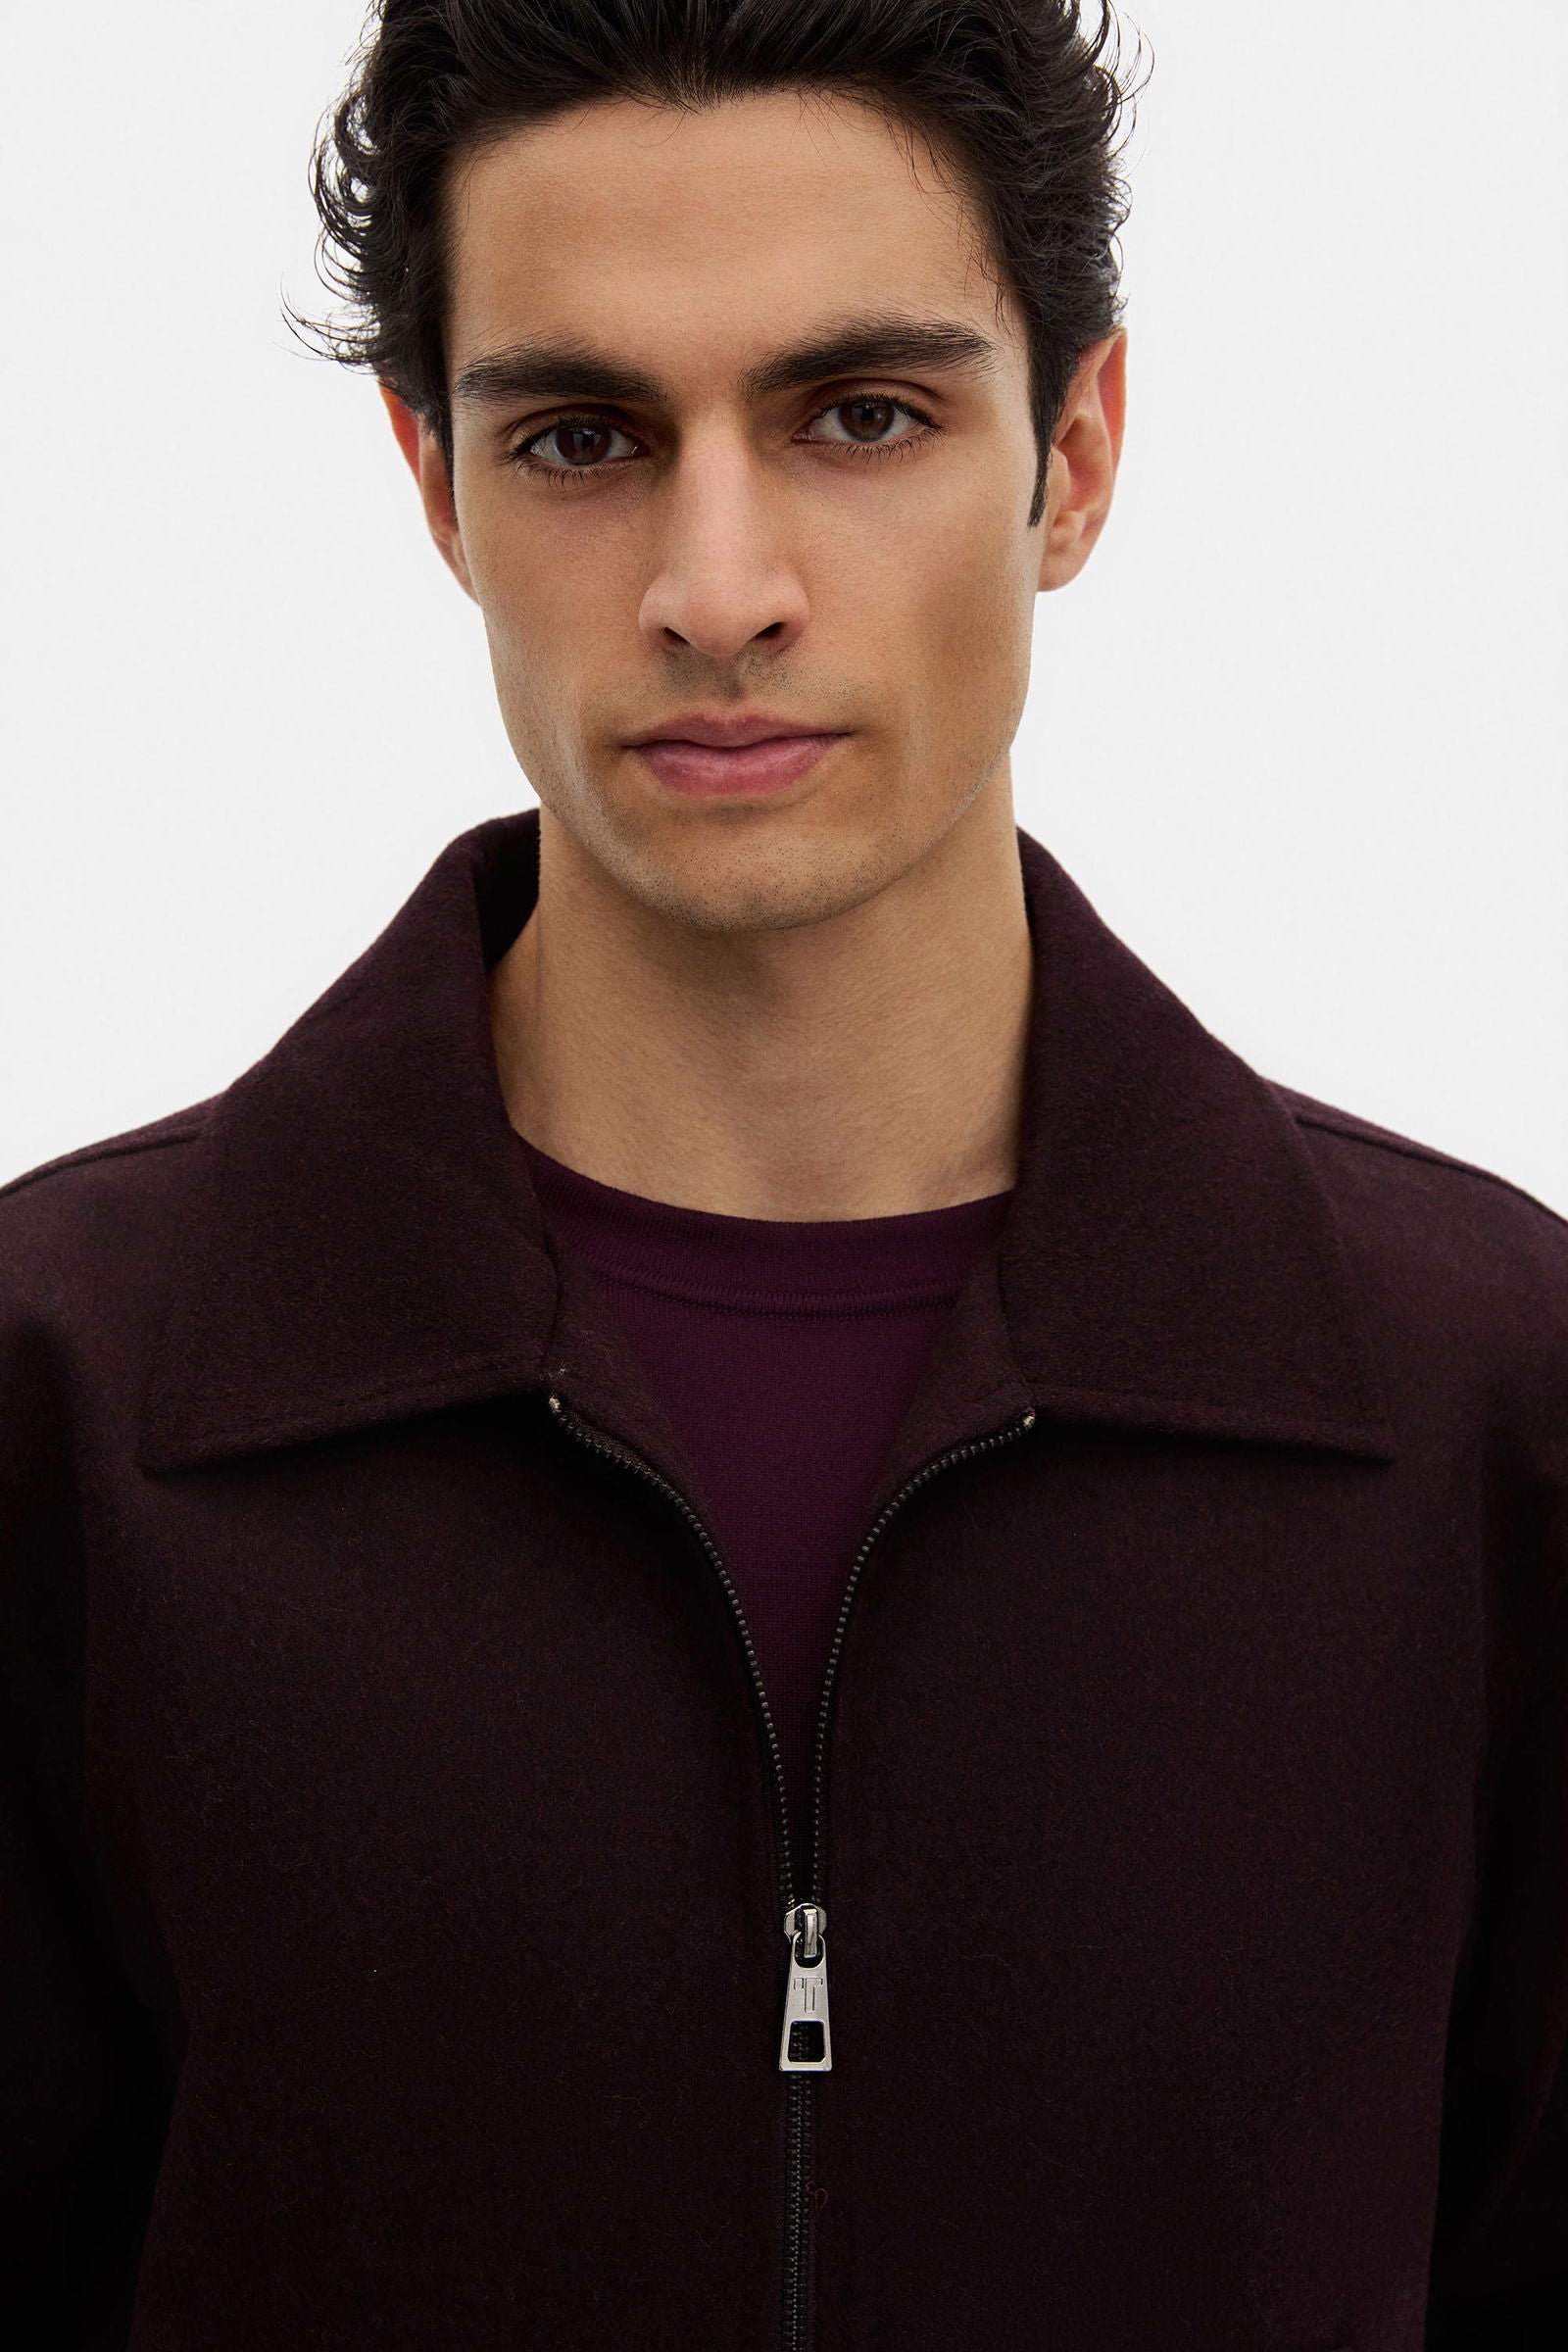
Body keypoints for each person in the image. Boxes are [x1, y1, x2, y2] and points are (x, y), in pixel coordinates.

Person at [1, 1, 1562, 2343]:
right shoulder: (60, 1402)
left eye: (858, 416)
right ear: (435, 485)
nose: (715, 587)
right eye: (582, 437)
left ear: (1072, 457)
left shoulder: (1487, 1409)